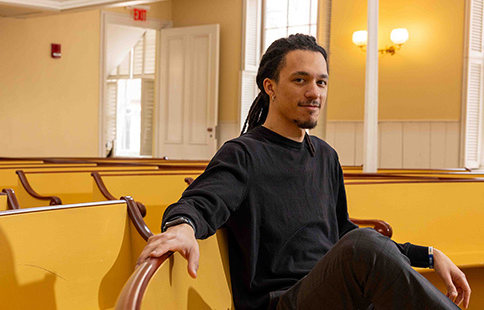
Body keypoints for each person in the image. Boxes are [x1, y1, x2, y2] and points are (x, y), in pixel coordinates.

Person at [137, 34, 471, 310]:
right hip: (281, 302)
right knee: (362, 245)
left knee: (363, 249)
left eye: (321, 82)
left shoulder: (325, 155)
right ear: (270, 87)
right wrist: (182, 227)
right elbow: (200, 202)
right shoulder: (244, 153)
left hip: (336, 293)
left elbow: (341, 231)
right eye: (301, 80)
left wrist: (428, 255)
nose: (314, 92)